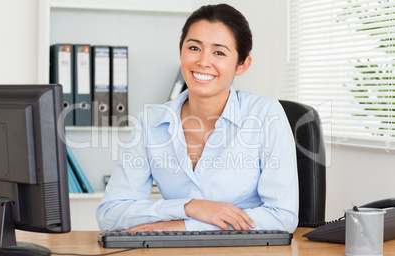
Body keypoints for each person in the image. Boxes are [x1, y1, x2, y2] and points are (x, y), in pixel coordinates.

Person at [96, 4, 299, 233]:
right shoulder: (151, 122)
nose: (203, 61)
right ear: (181, 51)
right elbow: (110, 214)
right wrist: (190, 207)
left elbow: (282, 217)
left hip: (248, 255)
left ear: (242, 65)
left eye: (219, 52)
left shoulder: (266, 114)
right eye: (194, 47)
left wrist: (183, 225)